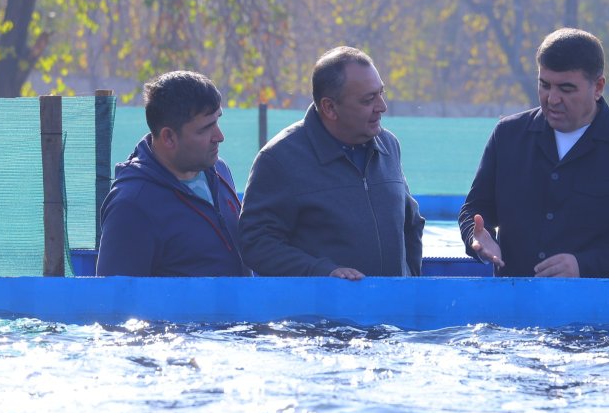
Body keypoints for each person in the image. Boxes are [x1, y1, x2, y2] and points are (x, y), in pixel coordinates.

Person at [459, 27, 609, 278]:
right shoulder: (507, 135)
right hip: (513, 308)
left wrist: (584, 265)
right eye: (544, 85)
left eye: (566, 89)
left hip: (596, 312)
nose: (552, 98)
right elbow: (475, 209)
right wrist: (478, 237)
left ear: (598, 86)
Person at [239, 46, 424, 279]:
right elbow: (256, 244)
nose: (382, 107)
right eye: (368, 100)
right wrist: (322, 273)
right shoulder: (279, 159)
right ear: (329, 107)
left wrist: (410, 284)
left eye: (381, 93)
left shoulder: (389, 146)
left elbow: (412, 224)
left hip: (392, 312)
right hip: (318, 314)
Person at [97, 70, 249, 277]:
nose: (219, 136)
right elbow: (114, 302)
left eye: (217, 120)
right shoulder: (131, 206)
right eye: (205, 129)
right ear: (168, 137)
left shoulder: (219, 170)